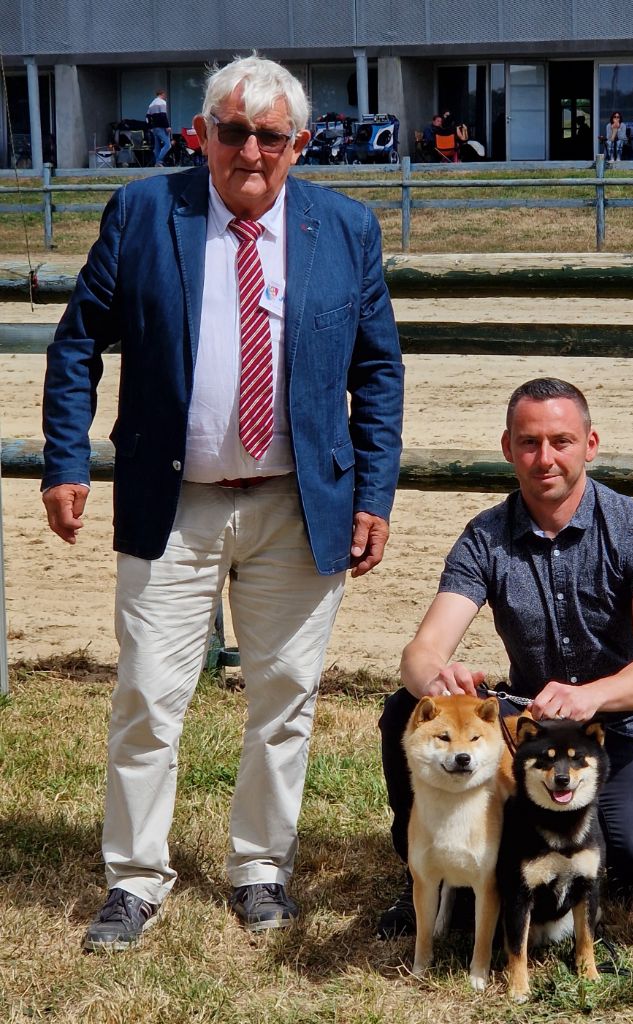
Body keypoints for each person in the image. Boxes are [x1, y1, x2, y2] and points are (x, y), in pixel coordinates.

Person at [42, 53, 404, 950]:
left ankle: (260, 867)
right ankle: (134, 878)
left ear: (300, 145)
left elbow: (377, 371)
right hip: (175, 503)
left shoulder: (347, 228)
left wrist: (371, 492)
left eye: (270, 136)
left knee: (285, 696)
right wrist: (66, 462)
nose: (250, 150)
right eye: (232, 131)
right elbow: (78, 342)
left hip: (297, 502)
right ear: (199, 134)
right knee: (148, 697)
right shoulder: (142, 212)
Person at [377, 378, 633, 938]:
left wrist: (590, 696)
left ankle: (608, 864)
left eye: (561, 441)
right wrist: (438, 675)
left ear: (590, 445)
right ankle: (427, 877)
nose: (544, 458)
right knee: (408, 705)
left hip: (625, 729)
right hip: (531, 731)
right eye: (529, 443)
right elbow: (421, 651)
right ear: (507, 447)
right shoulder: (485, 537)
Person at [146, 88, 172, 166]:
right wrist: (167, 126)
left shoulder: (151, 104)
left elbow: (147, 117)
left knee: (157, 147)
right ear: (162, 94)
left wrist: (150, 127)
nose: (165, 96)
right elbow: (163, 115)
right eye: (165, 95)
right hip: (161, 127)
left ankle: (157, 163)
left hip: (154, 128)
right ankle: (159, 161)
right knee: (168, 145)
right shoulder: (162, 103)